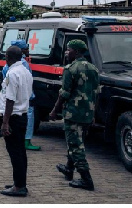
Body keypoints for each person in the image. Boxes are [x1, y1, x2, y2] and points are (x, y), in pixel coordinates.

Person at [50, 39, 99, 191]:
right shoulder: (93, 69)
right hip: (87, 113)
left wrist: (54, 111)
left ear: (76, 52)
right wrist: (93, 114)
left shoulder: (70, 69)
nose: (66, 52)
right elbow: (95, 93)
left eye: (69, 49)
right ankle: (68, 169)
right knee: (76, 142)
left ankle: (86, 179)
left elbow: (64, 94)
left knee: (75, 146)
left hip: (73, 113)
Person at [0, 45, 32, 197]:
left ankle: (19, 186)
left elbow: (10, 100)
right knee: (20, 151)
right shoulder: (26, 71)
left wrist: (5, 123)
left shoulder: (12, 73)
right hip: (22, 115)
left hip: (13, 117)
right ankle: (19, 182)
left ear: (7, 57)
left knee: (15, 153)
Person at [2, 40, 41, 151]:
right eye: (25, 48)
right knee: (28, 120)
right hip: (22, 102)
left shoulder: (9, 67)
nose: (27, 50)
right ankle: (27, 141)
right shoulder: (22, 66)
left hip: (14, 103)